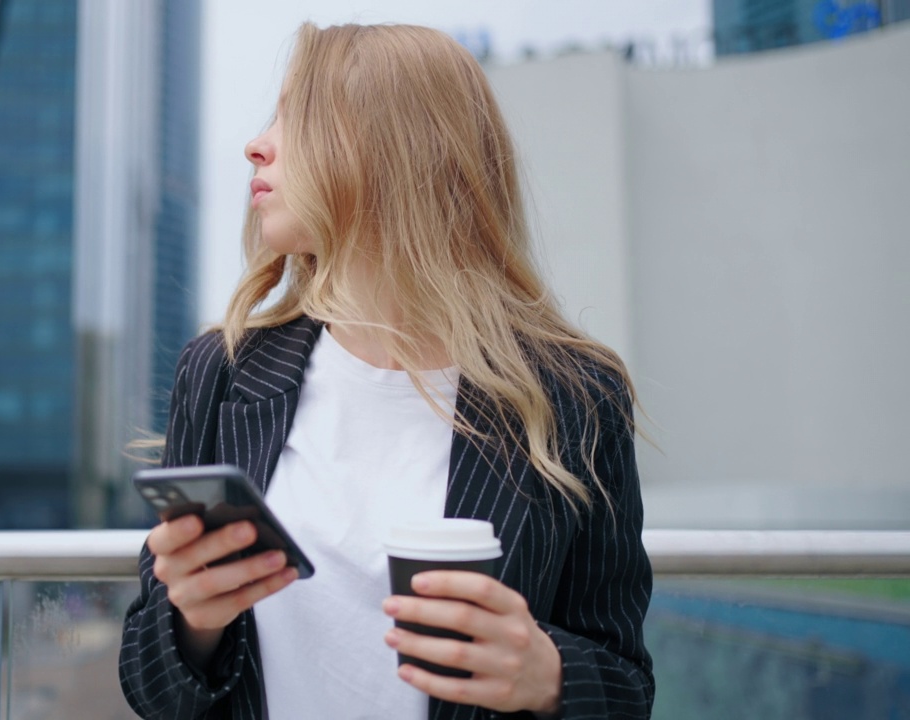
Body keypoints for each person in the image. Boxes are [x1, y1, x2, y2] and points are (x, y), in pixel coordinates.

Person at [119, 22, 652, 720]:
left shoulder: (576, 397)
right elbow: (151, 688)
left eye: (294, 115)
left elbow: (627, 688)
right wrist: (193, 623)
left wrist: (548, 674)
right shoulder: (221, 371)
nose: (256, 143)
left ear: (388, 148)